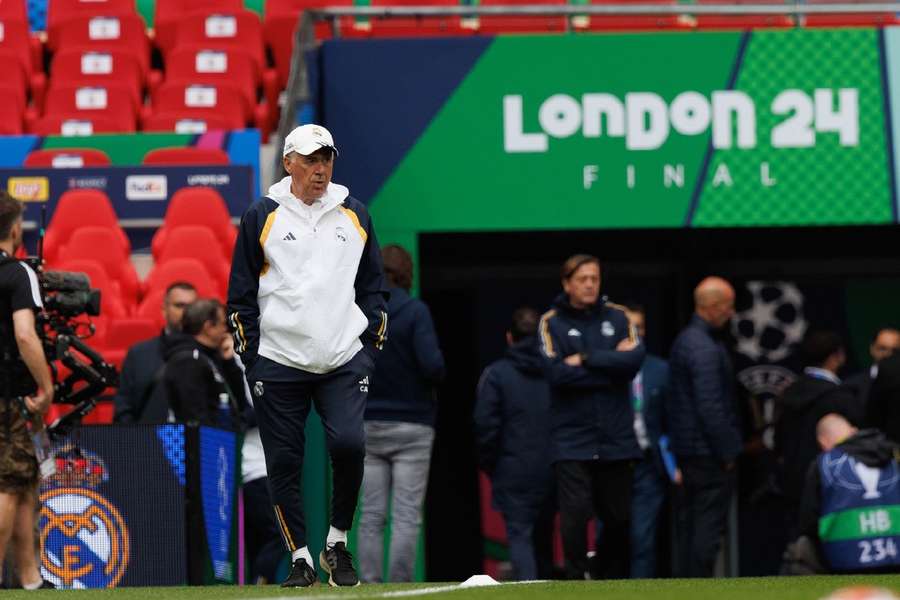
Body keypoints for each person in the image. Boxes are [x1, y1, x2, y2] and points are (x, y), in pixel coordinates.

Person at [227, 124, 388, 588]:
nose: (321, 169)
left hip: (343, 357)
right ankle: (299, 555)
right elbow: (240, 295)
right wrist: (253, 357)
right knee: (283, 461)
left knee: (349, 445)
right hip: (278, 360)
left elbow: (373, 287)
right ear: (289, 162)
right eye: (311, 160)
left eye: (327, 159)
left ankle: (336, 542)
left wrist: (368, 349)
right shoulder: (261, 215)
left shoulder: (355, 214)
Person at [537, 254, 644, 580]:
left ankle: (607, 576)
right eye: (582, 279)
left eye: (594, 278)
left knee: (619, 519)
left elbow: (634, 363)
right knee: (574, 515)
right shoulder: (550, 322)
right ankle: (576, 579)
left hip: (616, 437)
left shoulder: (620, 316)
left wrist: (584, 358)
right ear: (567, 283)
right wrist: (610, 364)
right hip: (572, 439)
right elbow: (555, 374)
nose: (589, 284)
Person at [358, 244, 444, 583]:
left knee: (371, 515)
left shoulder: (363, 311)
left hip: (367, 422)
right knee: (407, 515)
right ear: (406, 272)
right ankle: (400, 587)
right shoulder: (415, 311)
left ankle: (369, 586)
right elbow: (433, 365)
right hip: (413, 424)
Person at [668, 276, 741, 578]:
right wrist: (727, 452)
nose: (731, 313)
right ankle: (700, 588)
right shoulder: (703, 348)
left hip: (690, 450)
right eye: (728, 306)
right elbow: (710, 406)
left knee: (690, 526)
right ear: (712, 306)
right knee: (705, 529)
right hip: (706, 454)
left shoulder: (688, 340)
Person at [474, 307, 555, 581]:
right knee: (544, 539)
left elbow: (485, 425)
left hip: (512, 468)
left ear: (510, 337)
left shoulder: (496, 375)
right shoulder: (556, 373)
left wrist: (492, 464)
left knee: (520, 538)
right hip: (553, 468)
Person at [0, 191, 53, 590]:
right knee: (7, 485)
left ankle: (30, 577)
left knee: (20, 483)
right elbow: (25, 335)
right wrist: (46, 385)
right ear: (15, 228)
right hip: (10, 398)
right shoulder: (19, 273)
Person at [793, 413, 900, 573]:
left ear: (822, 442)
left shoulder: (824, 463)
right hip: (895, 554)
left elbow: (808, 521)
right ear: (854, 431)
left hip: (844, 561)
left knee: (801, 546)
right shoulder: (893, 457)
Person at [776, 330, 857, 536]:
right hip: (831, 483)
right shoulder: (840, 397)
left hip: (792, 481)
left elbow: (778, 441)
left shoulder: (788, 393)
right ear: (837, 356)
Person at [622, 304, 673, 579]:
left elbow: (673, 419)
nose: (635, 332)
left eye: (639, 326)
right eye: (629, 326)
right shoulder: (606, 368)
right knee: (611, 538)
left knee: (643, 537)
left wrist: (673, 462)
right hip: (614, 464)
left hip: (647, 464)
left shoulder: (660, 369)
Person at [113, 282, 197, 423]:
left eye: (192, 307)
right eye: (179, 306)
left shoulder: (210, 353)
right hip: (147, 440)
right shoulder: (138, 354)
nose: (186, 312)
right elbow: (123, 408)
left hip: (200, 441)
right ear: (164, 310)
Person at [160, 299, 247, 427]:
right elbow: (194, 416)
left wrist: (228, 362)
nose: (226, 330)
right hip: (203, 443)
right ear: (208, 327)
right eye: (223, 324)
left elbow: (239, 401)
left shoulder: (211, 355)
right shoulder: (187, 361)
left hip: (221, 438)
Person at [844, 328, 900, 414]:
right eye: (882, 348)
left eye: (895, 350)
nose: (888, 354)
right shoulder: (852, 386)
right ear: (872, 349)